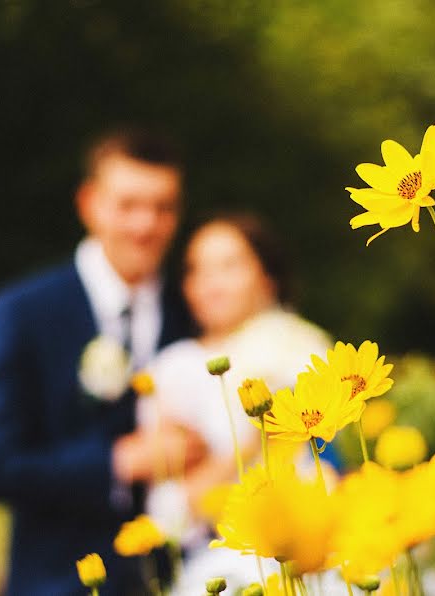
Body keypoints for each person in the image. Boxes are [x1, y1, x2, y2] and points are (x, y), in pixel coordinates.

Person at [0, 129, 207, 595]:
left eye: (164, 208)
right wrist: (117, 463)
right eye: (129, 205)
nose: (146, 225)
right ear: (89, 203)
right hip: (58, 581)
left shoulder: (193, 309)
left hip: (183, 579)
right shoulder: (25, 312)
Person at [138, 214, 334, 593]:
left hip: (316, 540)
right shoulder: (172, 369)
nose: (211, 283)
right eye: (198, 270)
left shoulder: (305, 350)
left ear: (266, 276)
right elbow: (169, 497)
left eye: (229, 266)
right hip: (221, 550)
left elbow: (335, 459)